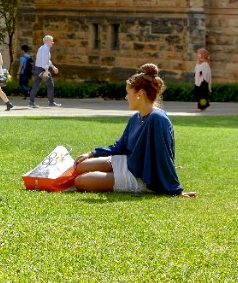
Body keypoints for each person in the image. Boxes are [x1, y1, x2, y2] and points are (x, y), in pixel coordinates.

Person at [73, 63, 196, 197]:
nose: (126, 97)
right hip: (129, 162)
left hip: (142, 175)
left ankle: (139, 185)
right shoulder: (136, 118)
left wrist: (175, 190)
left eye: (128, 93)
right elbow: (120, 146)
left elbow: (164, 156)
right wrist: (91, 153)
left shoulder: (157, 119)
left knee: (81, 181)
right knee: (81, 166)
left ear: (140, 94)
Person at [28, 35, 60, 108]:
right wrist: (46, 70)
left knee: (36, 85)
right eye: (52, 41)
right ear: (48, 41)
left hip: (37, 68)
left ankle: (31, 102)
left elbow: (47, 60)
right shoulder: (46, 49)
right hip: (42, 69)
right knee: (50, 84)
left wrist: (53, 67)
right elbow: (44, 61)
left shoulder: (42, 48)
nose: (53, 42)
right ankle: (51, 102)